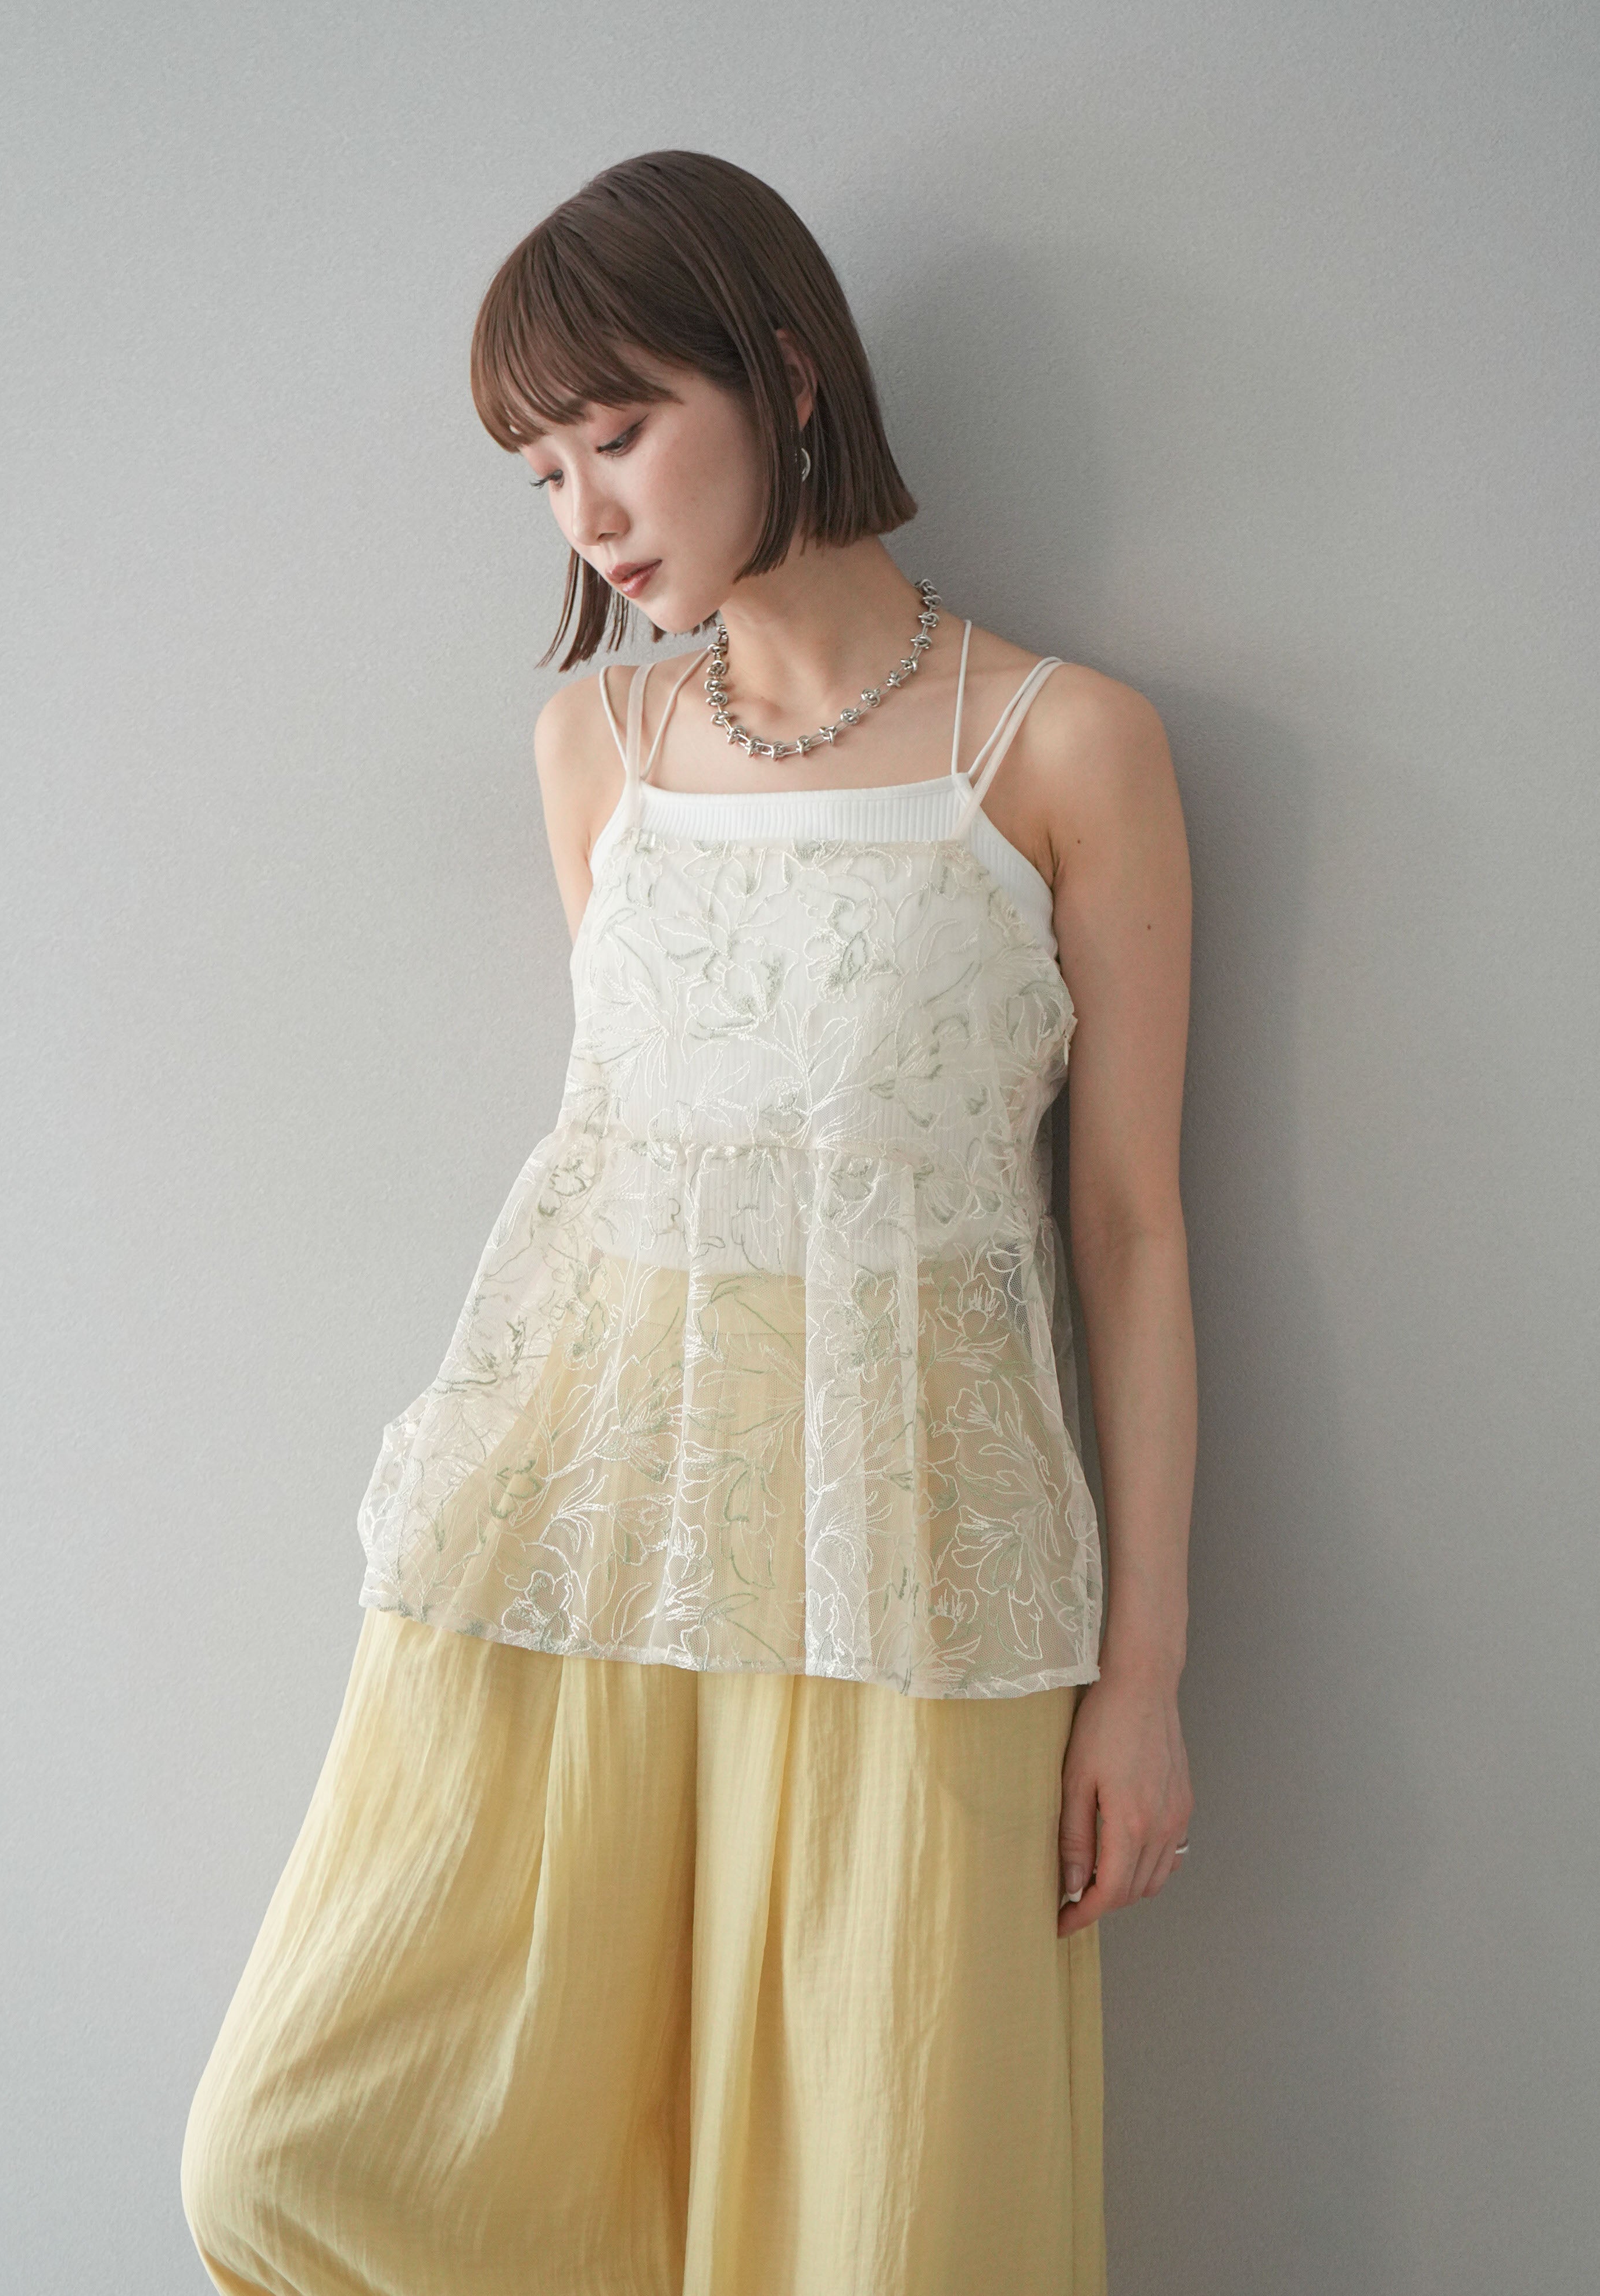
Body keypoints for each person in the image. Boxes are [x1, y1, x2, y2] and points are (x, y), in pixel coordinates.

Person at [181, 148, 1196, 2296]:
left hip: (920, 1572)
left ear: (787, 376)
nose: (588, 512)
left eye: (619, 433)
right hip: (587, 1544)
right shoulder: (596, 750)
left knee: (880, 2234)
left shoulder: (1066, 747)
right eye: (541, 472)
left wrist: (1146, 1679)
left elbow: (1127, 1230)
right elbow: (631, 1182)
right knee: (280, 2155)